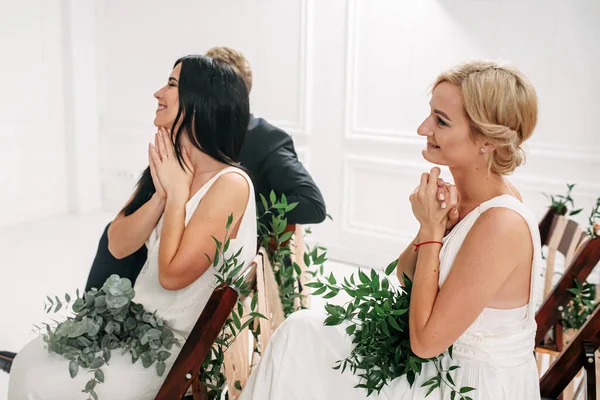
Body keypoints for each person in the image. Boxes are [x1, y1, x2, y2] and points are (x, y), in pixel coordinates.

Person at [240, 60, 542, 400]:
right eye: (430, 113)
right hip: (438, 366)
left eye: (441, 121)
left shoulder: (501, 223)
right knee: (297, 332)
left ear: (486, 140)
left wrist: (430, 229)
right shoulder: (471, 201)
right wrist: (435, 226)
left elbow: (426, 342)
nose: (423, 128)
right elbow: (405, 276)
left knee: (300, 345)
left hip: (467, 385)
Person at [8, 54, 257, 399]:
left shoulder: (230, 184)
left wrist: (177, 194)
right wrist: (161, 195)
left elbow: (171, 276)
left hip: (168, 350)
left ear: (201, 103)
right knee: (27, 362)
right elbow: (117, 244)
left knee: (41, 382)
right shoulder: (171, 165)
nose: (158, 92)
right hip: (132, 322)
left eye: (171, 84)